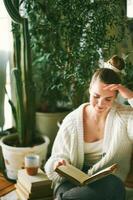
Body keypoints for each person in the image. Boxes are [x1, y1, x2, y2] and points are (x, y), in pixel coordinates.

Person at [44, 55, 133, 200]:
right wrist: (58, 164)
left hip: (107, 182)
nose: (100, 104)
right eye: (96, 96)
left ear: (116, 96)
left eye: (108, 99)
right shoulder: (72, 121)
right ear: (90, 88)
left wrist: (131, 96)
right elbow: (57, 156)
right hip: (71, 181)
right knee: (71, 194)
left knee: (113, 187)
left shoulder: (124, 117)